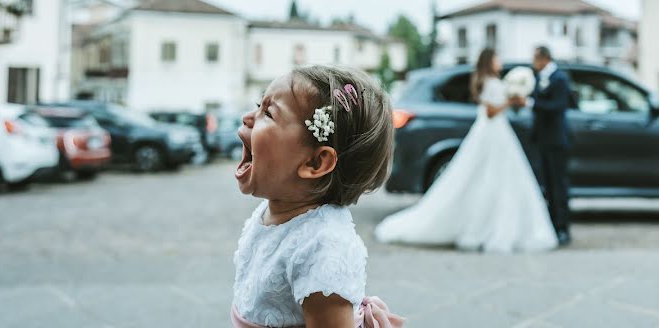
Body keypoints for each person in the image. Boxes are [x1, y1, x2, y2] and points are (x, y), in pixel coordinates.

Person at [231, 66, 403, 328]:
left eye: (268, 113)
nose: (247, 118)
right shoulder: (274, 212)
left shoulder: (323, 247)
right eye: (258, 105)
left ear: (315, 162)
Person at [374, 48, 557, 253]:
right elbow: (489, 112)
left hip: (497, 132)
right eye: (497, 59)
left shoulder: (490, 81)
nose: (500, 63)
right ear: (489, 61)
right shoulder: (489, 82)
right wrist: (510, 101)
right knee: (490, 177)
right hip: (492, 131)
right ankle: (488, 226)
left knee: (492, 178)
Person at [530, 46, 573, 246]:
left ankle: (563, 227)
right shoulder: (538, 78)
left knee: (558, 185)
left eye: (535, 58)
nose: (533, 62)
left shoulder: (560, 79)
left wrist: (531, 104)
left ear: (544, 58)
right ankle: (551, 225)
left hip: (556, 139)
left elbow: (558, 106)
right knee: (546, 184)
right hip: (542, 139)